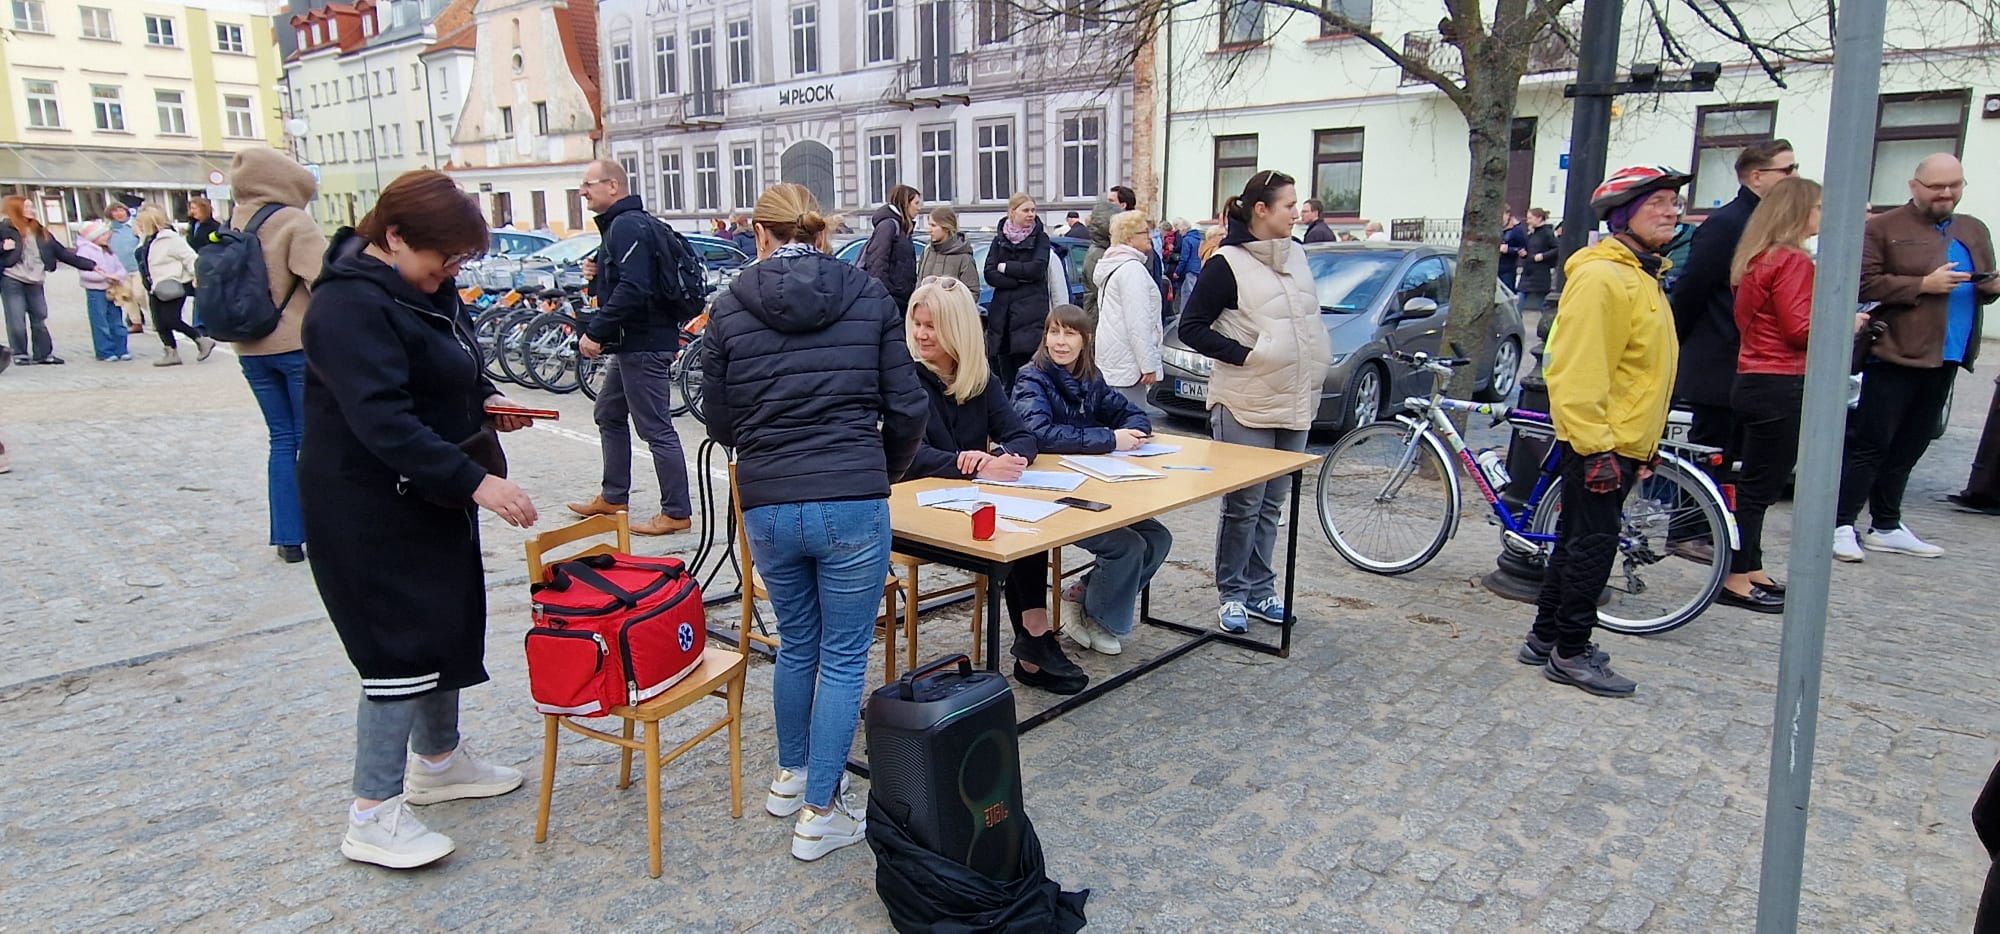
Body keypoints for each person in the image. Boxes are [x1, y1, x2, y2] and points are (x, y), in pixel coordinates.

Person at [299, 169, 538, 869]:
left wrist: (487, 404)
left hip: (429, 492)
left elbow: (450, 366)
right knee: (396, 650)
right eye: (445, 260)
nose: (450, 274)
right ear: (395, 237)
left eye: (461, 262)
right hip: (367, 505)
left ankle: (439, 761)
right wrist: (477, 483)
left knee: (446, 624)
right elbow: (383, 421)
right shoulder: (345, 308)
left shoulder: (416, 288)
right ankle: (371, 813)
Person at [704, 182, 928, 861]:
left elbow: (717, 421)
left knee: (797, 645)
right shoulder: (868, 296)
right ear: (822, 231)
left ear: (759, 232)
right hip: (851, 493)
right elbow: (908, 405)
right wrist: (879, 470)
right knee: (841, 656)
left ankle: (790, 778)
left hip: (770, 499)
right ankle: (820, 812)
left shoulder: (729, 306)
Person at [1524, 165, 1689, 698]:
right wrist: (1597, 448)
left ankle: (1544, 636)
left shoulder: (1642, 274)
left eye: (1673, 202)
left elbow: (1638, 370)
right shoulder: (1603, 278)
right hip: (1602, 441)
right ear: (1622, 215)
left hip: (1621, 438)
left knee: (1576, 541)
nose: (1671, 211)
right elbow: (1577, 371)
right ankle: (1571, 652)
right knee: (1592, 548)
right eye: (1657, 203)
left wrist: (1646, 441)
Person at [901, 278, 1089, 694]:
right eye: (917, 323)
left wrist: (1005, 456)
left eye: (931, 325)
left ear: (958, 329)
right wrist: (966, 464)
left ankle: (1033, 640)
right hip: (916, 512)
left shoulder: (980, 380)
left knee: (1031, 524)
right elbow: (906, 456)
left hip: (971, 505)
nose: (921, 334)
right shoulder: (905, 378)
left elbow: (1024, 436)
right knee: (1013, 529)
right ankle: (1034, 644)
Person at [1177, 170, 1333, 634]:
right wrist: (1247, 355)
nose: (1296, 212)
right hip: (1246, 402)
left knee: (1272, 505)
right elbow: (1192, 326)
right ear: (1261, 210)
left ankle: (1263, 590)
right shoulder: (1226, 263)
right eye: (1288, 205)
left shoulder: (1298, 255)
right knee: (1244, 504)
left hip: (1295, 399)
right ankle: (1233, 594)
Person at [1837, 152, 2000, 561]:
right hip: (1895, 351)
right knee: (1872, 442)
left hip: (1948, 353)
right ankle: (1840, 523)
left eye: (1955, 185)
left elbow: (1985, 282)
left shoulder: (1973, 229)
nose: (1947, 194)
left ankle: (1886, 524)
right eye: (1937, 186)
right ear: (1914, 186)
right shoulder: (1884, 228)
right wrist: (1923, 284)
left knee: (1913, 442)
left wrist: (1991, 285)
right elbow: (1864, 283)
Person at [1014, 303, 1174, 656]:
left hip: (1092, 486)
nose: (1060, 341)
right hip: (1049, 494)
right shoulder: (1031, 378)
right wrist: (1111, 439)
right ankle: (1102, 619)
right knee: (1127, 545)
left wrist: (1135, 429)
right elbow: (1038, 434)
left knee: (1158, 537)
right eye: (1054, 332)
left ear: (1085, 340)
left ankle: (1082, 596)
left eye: (1069, 333)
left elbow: (1130, 412)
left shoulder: (1090, 377)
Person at [1666, 139, 1795, 529]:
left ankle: (1717, 529)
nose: (1793, 178)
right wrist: (1677, 344)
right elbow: (1692, 289)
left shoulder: (1768, 223)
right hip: (1719, 357)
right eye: (1787, 171)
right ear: (1757, 176)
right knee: (1711, 449)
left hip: (1748, 362)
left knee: (1736, 454)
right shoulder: (1727, 224)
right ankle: (1688, 529)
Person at [1722, 176, 1834, 613]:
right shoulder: (1792, 261)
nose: (1822, 215)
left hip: (1754, 375)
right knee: (1759, 487)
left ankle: (1750, 567)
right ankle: (1736, 574)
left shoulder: (1756, 258)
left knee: (1755, 483)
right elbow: (1799, 329)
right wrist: (1845, 324)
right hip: (1781, 379)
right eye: (1819, 206)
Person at [567, 159, 695, 536]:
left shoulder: (626, 226)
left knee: (655, 428)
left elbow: (635, 289)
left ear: (612, 186)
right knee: (608, 411)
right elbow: (632, 282)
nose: (583, 192)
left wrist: (596, 332)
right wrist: (596, 279)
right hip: (634, 343)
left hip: (643, 343)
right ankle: (613, 495)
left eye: (588, 185)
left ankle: (676, 511)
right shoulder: (628, 225)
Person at [228, 146, 328, 564]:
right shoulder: (292, 222)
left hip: (249, 348)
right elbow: (325, 281)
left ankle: (288, 536)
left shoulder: (236, 221)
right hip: (294, 346)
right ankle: (321, 529)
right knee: (313, 440)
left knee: (281, 439)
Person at [2, 196, 95, 365]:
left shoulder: (39, 230)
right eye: (27, 207)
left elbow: (61, 252)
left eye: (32, 207)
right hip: (12, 278)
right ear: (15, 209)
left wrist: (90, 265)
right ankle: (20, 353)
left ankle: (43, 354)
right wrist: (2, 247)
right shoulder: (4, 228)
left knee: (40, 316)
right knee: (16, 318)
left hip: (36, 279)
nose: (32, 210)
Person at [1093, 211, 1164, 411]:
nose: (1149, 235)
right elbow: (1138, 322)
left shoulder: (1114, 266)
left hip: (1114, 359)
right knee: (1133, 426)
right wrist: (1148, 365)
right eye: (1144, 231)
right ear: (1129, 238)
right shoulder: (1132, 270)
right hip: (1129, 364)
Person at [984, 193, 1054, 388]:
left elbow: (1037, 269)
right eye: (1026, 210)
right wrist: (1018, 281)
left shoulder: (1041, 238)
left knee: (1030, 380)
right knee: (1005, 381)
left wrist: (1006, 268)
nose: (1031, 214)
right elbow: (989, 273)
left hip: (1030, 319)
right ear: (1012, 212)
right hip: (1002, 321)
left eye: (1033, 210)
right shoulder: (999, 240)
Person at [136, 207, 214, 366]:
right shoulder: (147, 239)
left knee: (171, 319)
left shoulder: (170, 239)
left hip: (173, 284)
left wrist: (196, 276)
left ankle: (200, 339)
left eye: (141, 222)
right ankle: (171, 352)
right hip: (154, 285)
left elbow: (190, 258)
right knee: (159, 322)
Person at [74, 221, 131, 362]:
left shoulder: (108, 250)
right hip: (96, 290)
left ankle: (121, 348)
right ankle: (105, 350)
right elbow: (85, 273)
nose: (107, 236)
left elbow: (120, 267)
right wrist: (105, 277)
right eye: (103, 234)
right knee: (100, 320)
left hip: (113, 289)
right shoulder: (85, 251)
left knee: (116, 319)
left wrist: (118, 276)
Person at [861, 184, 921, 311]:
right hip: (891, 300)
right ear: (906, 203)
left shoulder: (904, 228)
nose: (919, 208)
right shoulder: (889, 226)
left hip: (900, 299)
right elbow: (876, 264)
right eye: (916, 203)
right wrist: (888, 295)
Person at [1081, 185, 1135, 314]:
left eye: (1111, 201)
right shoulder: (1101, 253)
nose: (1107, 205)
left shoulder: (1134, 245)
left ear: (1123, 205)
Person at [915, 206, 979, 293]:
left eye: (933, 225)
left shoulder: (963, 257)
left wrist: (950, 305)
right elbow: (919, 283)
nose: (929, 230)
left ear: (946, 227)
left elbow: (972, 292)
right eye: (929, 225)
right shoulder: (927, 251)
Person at [1516, 208, 1558, 315]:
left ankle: (1547, 323)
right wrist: (1524, 254)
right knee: (1521, 298)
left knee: (1541, 302)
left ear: (1539, 218)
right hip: (1528, 272)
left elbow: (1556, 249)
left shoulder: (1548, 233)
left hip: (1540, 273)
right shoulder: (1531, 234)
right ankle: (1516, 325)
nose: (1528, 221)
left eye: (1530, 218)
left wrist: (1543, 256)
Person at [1498, 208, 1525, 288]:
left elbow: (1523, 248)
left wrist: (1509, 250)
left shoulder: (1516, 230)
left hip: (1507, 269)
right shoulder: (1500, 229)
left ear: (1508, 214)